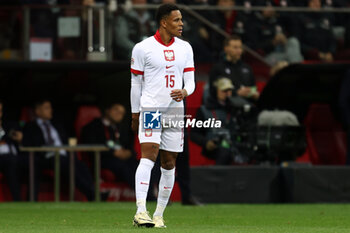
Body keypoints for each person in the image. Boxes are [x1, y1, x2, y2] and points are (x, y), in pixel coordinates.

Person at [130, 3, 195, 228]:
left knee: (169, 163)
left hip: (175, 111)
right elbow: (135, 84)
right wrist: (135, 113)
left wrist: (186, 91)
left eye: (181, 20)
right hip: (150, 109)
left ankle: (158, 215)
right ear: (163, 22)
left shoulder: (186, 47)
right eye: (176, 20)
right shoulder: (142, 48)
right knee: (148, 156)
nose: (181, 24)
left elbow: (191, 81)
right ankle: (140, 211)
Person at [22, 99, 105, 201]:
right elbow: (31, 144)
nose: (51, 110)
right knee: (66, 162)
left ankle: (93, 193)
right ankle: (93, 195)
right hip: (45, 158)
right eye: (47, 108)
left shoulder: (57, 125)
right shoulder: (30, 126)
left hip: (64, 156)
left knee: (80, 164)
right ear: (38, 111)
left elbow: (66, 141)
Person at [80, 102, 138, 189]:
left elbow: (129, 145)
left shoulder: (122, 128)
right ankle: (147, 196)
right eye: (116, 110)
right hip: (103, 159)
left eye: (122, 113)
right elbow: (91, 145)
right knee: (122, 167)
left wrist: (129, 153)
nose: (119, 114)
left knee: (139, 165)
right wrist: (113, 152)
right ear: (107, 111)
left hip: (122, 159)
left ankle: (150, 192)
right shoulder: (93, 126)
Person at [191, 78, 245, 165]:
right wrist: (206, 143)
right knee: (224, 153)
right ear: (215, 91)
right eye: (224, 90)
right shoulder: (204, 110)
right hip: (214, 149)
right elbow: (194, 134)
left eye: (229, 90)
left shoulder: (236, 109)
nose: (227, 94)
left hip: (234, 147)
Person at [209, 35, 259, 104]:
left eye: (240, 47)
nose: (239, 50)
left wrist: (253, 93)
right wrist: (237, 93)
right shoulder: (217, 68)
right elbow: (214, 92)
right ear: (226, 48)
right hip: (227, 107)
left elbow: (253, 88)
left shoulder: (247, 68)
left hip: (248, 105)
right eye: (235, 47)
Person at [0, 100, 22, 201]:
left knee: (13, 162)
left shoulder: (7, 125)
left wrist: (19, 136)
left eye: (0, 111)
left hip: (10, 158)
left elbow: (16, 135)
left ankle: (18, 200)